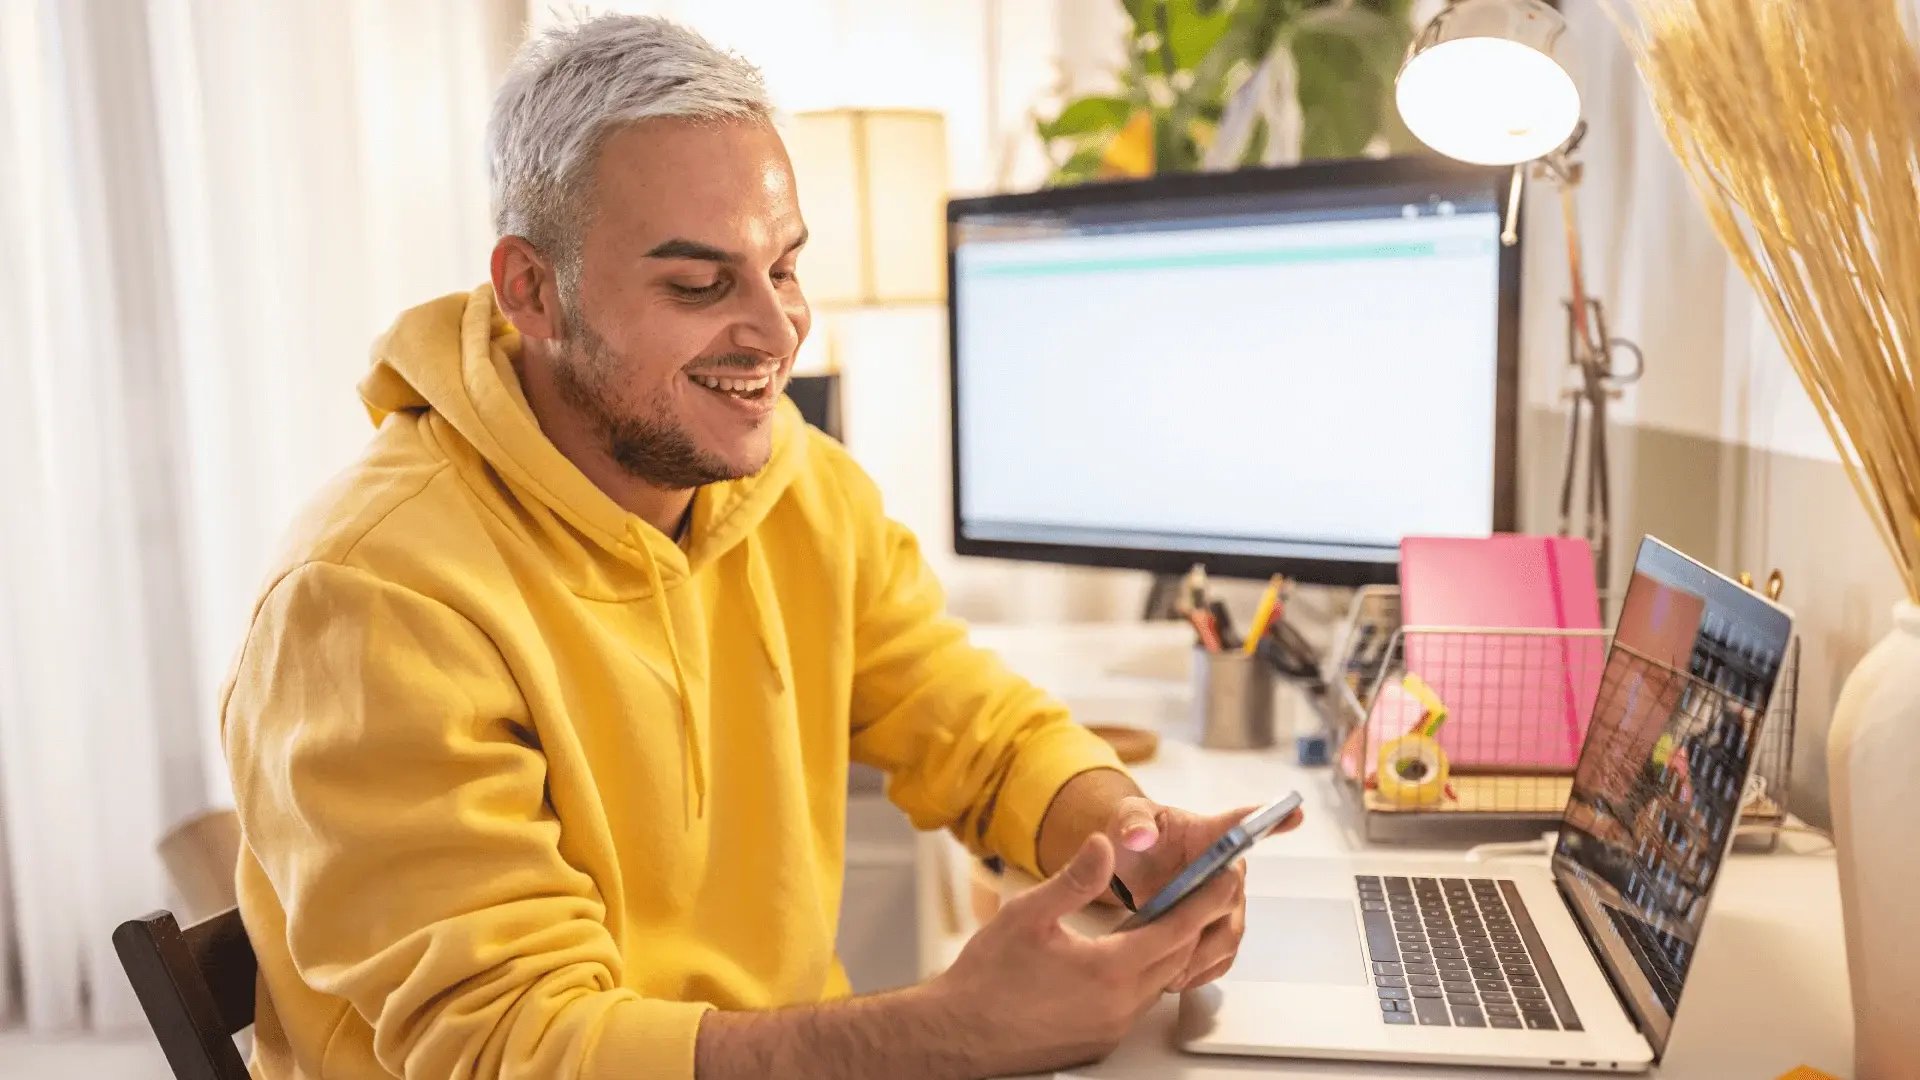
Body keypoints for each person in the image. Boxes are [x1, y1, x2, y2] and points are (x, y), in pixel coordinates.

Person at [222, 14, 1300, 1079]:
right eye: (698, 284)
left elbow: (964, 717)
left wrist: (1123, 830)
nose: (779, 331)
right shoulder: (368, 597)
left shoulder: (791, 476)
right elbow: (514, 1048)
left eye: (783, 267)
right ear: (532, 291)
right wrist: (943, 1030)